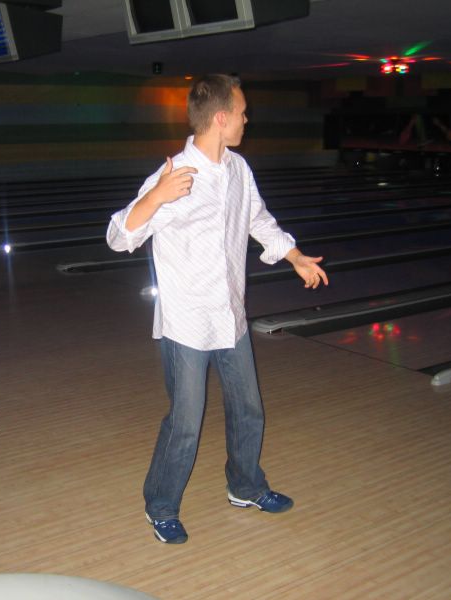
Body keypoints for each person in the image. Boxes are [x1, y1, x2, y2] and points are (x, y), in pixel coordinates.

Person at [106, 74, 329, 544]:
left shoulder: (238, 169)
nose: (248, 120)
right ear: (222, 118)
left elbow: (257, 219)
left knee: (249, 409)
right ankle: (161, 505)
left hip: (231, 315)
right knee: (185, 422)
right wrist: (156, 196)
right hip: (187, 322)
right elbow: (119, 237)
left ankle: (246, 487)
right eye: (243, 113)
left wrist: (293, 255)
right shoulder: (176, 174)